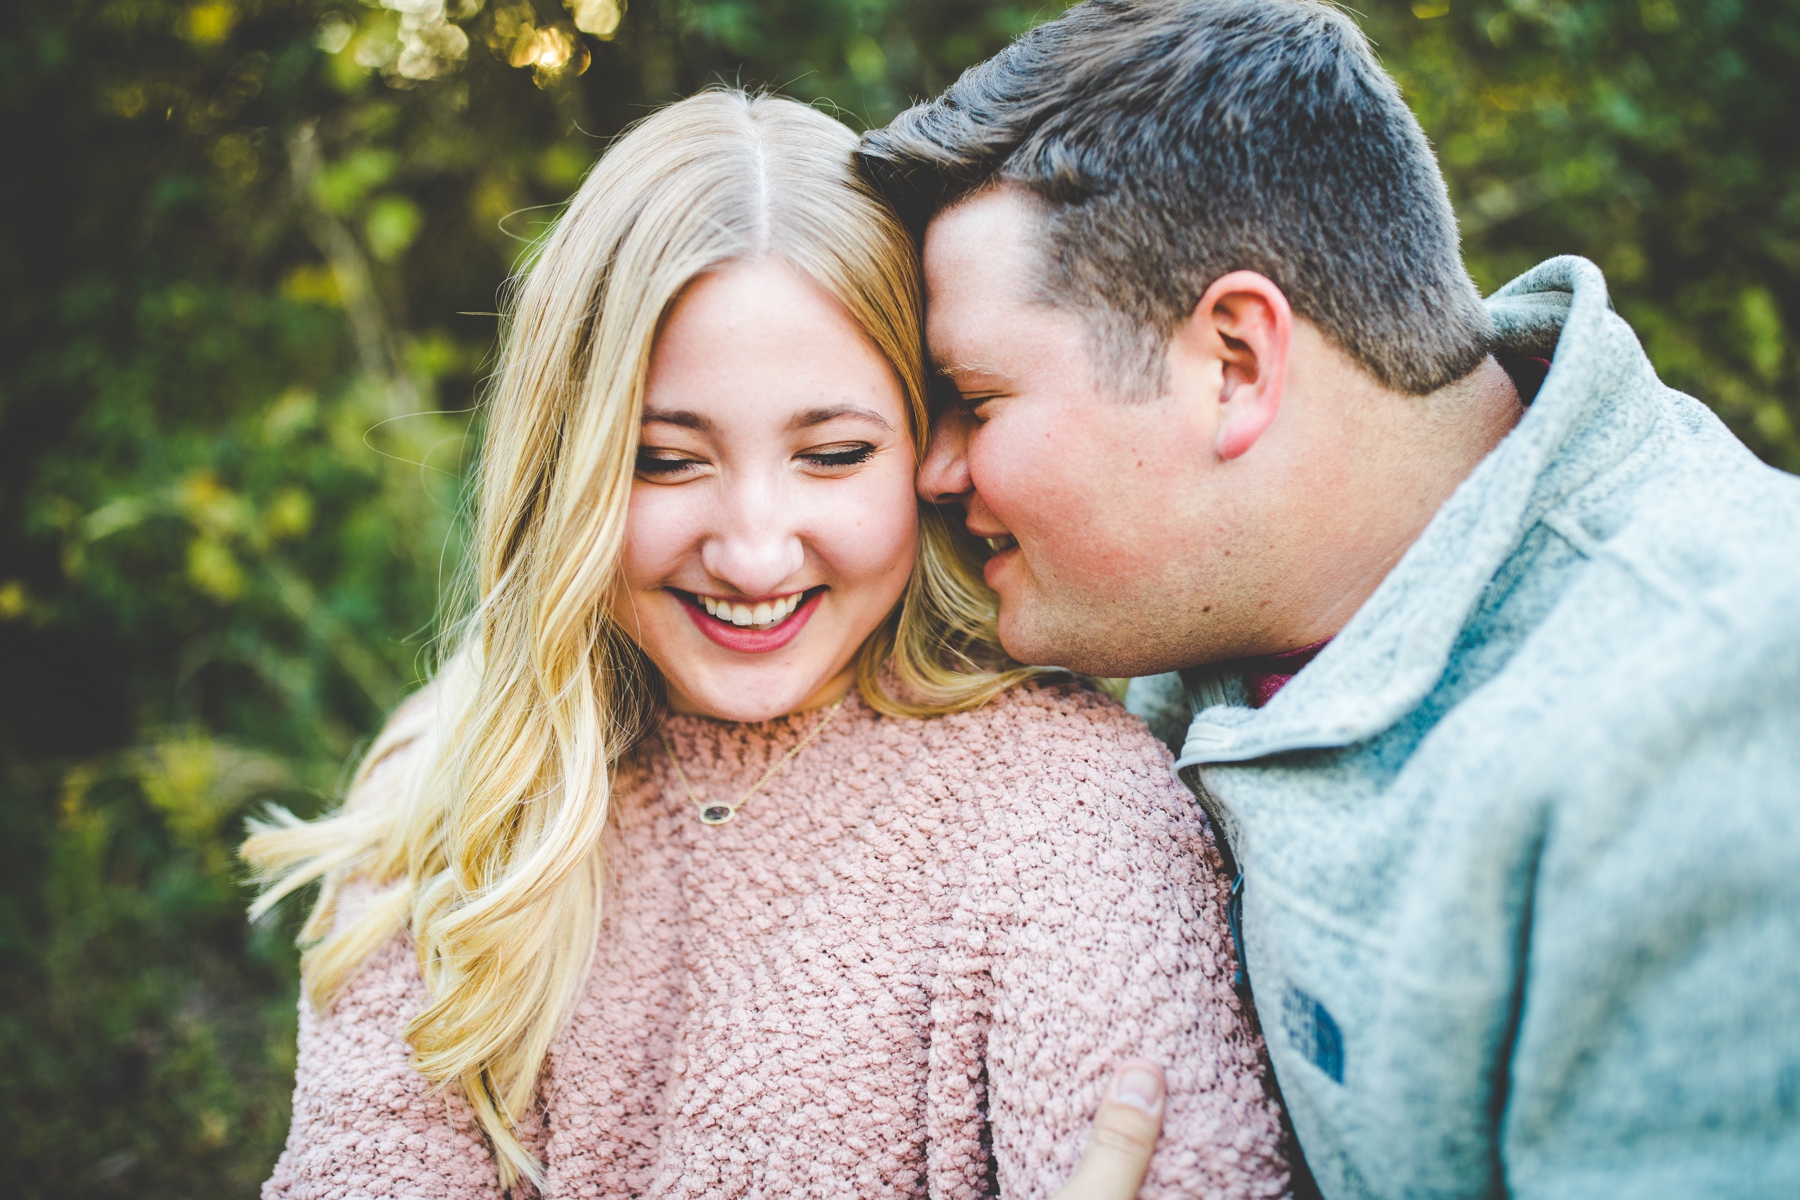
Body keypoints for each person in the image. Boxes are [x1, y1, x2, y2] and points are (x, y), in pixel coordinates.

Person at [241, 90, 1293, 1200]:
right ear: (566, 467)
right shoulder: (454, 785)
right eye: (664, 460)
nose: (751, 554)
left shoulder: (1066, 807)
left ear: (926, 451)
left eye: (832, 455)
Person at [858, 0, 1800, 1196]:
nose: (934, 471)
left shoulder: (1712, 728)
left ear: (1235, 363)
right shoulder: (1235, 598)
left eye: (977, 400)